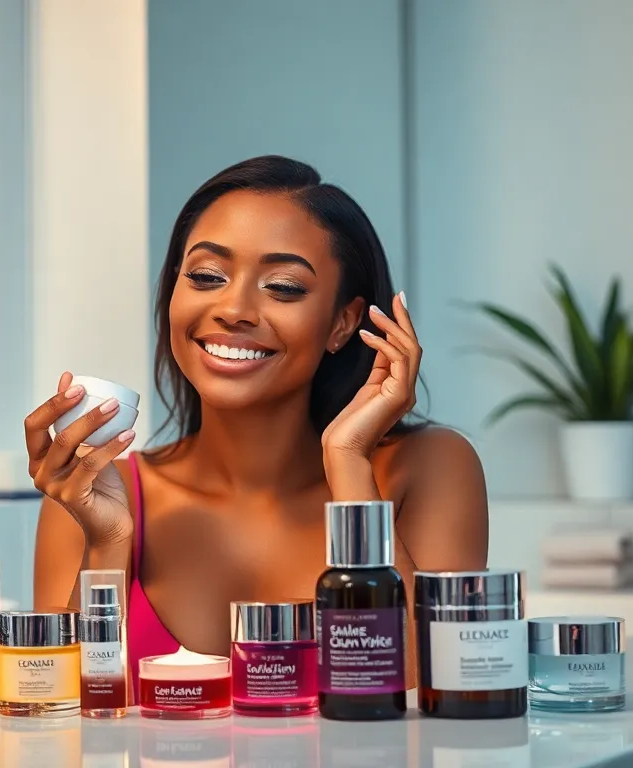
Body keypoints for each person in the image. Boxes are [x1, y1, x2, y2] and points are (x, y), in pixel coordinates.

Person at [24, 155, 488, 693]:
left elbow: (424, 688)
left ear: (343, 323)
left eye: (284, 287)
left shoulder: (429, 467)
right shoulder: (96, 496)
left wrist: (349, 465)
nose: (234, 308)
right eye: (205, 276)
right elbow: (66, 714)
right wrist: (108, 542)